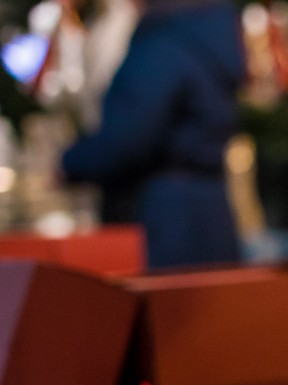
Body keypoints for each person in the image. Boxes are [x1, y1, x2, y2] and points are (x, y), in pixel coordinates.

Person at [62, 0, 245, 269]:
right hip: (209, 212)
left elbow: (127, 136)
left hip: (165, 219)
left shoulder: (164, 41)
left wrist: (70, 162)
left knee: (167, 307)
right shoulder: (210, 32)